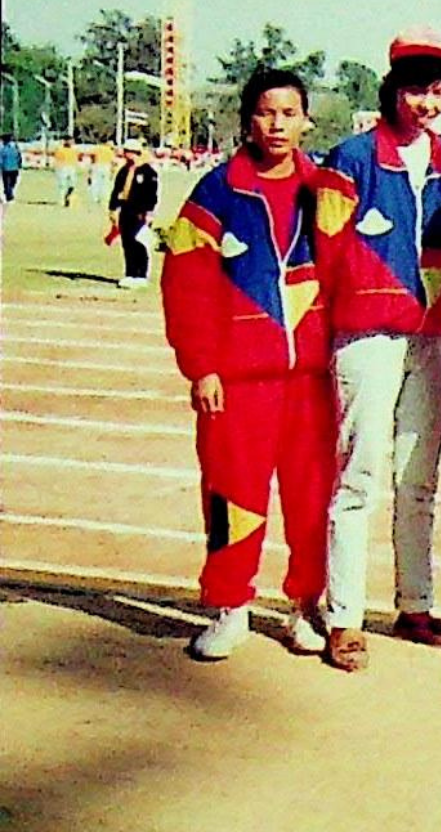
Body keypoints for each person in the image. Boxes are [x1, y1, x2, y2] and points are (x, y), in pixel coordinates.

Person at [160, 68, 336, 661]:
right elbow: (186, 286)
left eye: (289, 113)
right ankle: (229, 606)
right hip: (238, 381)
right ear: (248, 120)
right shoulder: (216, 192)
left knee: (313, 498)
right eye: (266, 112)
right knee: (231, 495)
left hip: (313, 378)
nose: (277, 124)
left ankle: (305, 605)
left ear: (306, 121)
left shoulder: (326, 190)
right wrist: (202, 366)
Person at [314, 25, 441, 672]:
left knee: (419, 476)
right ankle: (344, 616)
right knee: (358, 475)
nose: (428, 103)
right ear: (393, 89)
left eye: (438, 91)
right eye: (417, 89)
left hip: (433, 330)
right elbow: (326, 249)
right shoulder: (351, 158)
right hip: (367, 332)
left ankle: (416, 605)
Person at [110, 141, 160, 288]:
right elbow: (116, 190)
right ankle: (130, 273)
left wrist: (149, 212)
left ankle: (141, 274)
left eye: (129, 151)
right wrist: (113, 208)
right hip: (125, 210)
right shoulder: (124, 170)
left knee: (138, 242)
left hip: (140, 212)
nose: (126, 154)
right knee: (127, 243)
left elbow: (152, 194)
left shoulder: (148, 172)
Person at [89, 140, 117, 206]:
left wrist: (92, 163)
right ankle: (104, 197)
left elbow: (91, 155)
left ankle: (95, 198)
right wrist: (112, 172)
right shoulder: (110, 151)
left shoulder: (97, 148)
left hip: (97, 165)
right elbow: (113, 162)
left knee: (96, 182)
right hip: (106, 167)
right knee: (105, 183)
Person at [0, 134, 21, 203]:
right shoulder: (12, 149)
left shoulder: (6, 149)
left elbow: (18, 157)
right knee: (10, 183)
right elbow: (19, 157)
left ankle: (8, 192)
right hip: (10, 168)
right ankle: (9, 196)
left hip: (9, 169)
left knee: (9, 183)